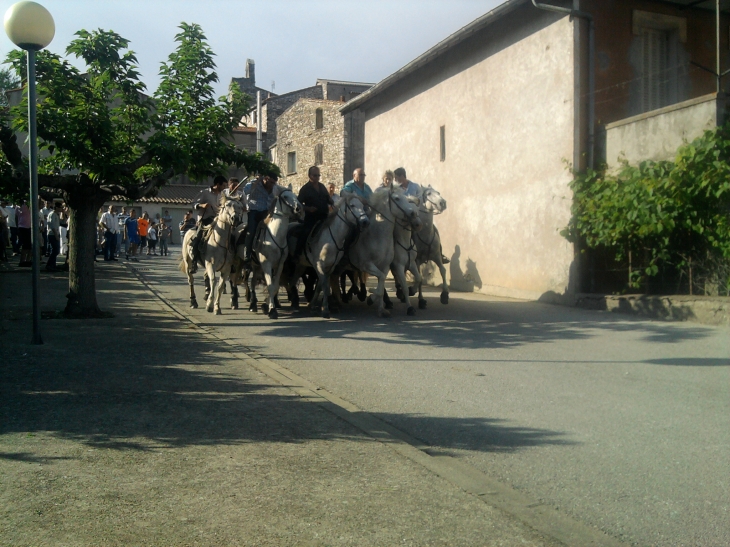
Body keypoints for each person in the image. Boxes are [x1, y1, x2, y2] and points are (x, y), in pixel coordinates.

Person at [190, 175, 226, 271]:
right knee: (198, 237)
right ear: (217, 184)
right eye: (223, 186)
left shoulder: (222, 195)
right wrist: (202, 205)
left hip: (218, 220)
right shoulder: (204, 192)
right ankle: (194, 261)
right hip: (205, 219)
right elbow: (193, 204)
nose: (224, 188)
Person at [295, 166, 333, 258]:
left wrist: (332, 202)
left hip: (325, 216)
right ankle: (297, 254)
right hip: (312, 218)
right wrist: (308, 208)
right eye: (315, 175)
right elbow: (298, 204)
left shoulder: (322, 187)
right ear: (309, 176)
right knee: (305, 232)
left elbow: (328, 199)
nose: (317, 177)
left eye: (318, 175)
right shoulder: (305, 189)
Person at [243, 174, 277, 265]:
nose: (272, 185)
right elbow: (245, 191)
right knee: (251, 231)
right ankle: (247, 254)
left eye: (274, 183)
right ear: (265, 179)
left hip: (267, 213)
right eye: (271, 182)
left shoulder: (274, 188)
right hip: (254, 211)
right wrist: (257, 180)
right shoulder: (254, 184)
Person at [45, 202, 62, 271]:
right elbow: (52, 226)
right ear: (57, 208)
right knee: (55, 250)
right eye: (60, 207)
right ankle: (49, 265)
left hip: (56, 233)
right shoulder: (52, 214)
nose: (61, 209)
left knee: (56, 250)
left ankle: (53, 265)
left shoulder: (56, 214)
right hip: (52, 234)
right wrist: (56, 235)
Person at [15, 201, 32, 267]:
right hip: (22, 227)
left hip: (29, 227)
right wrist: (17, 227)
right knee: (25, 245)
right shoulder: (18, 206)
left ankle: (28, 260)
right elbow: (16, 217)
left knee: (30, 245)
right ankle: (22, 261)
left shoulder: (30, 205)